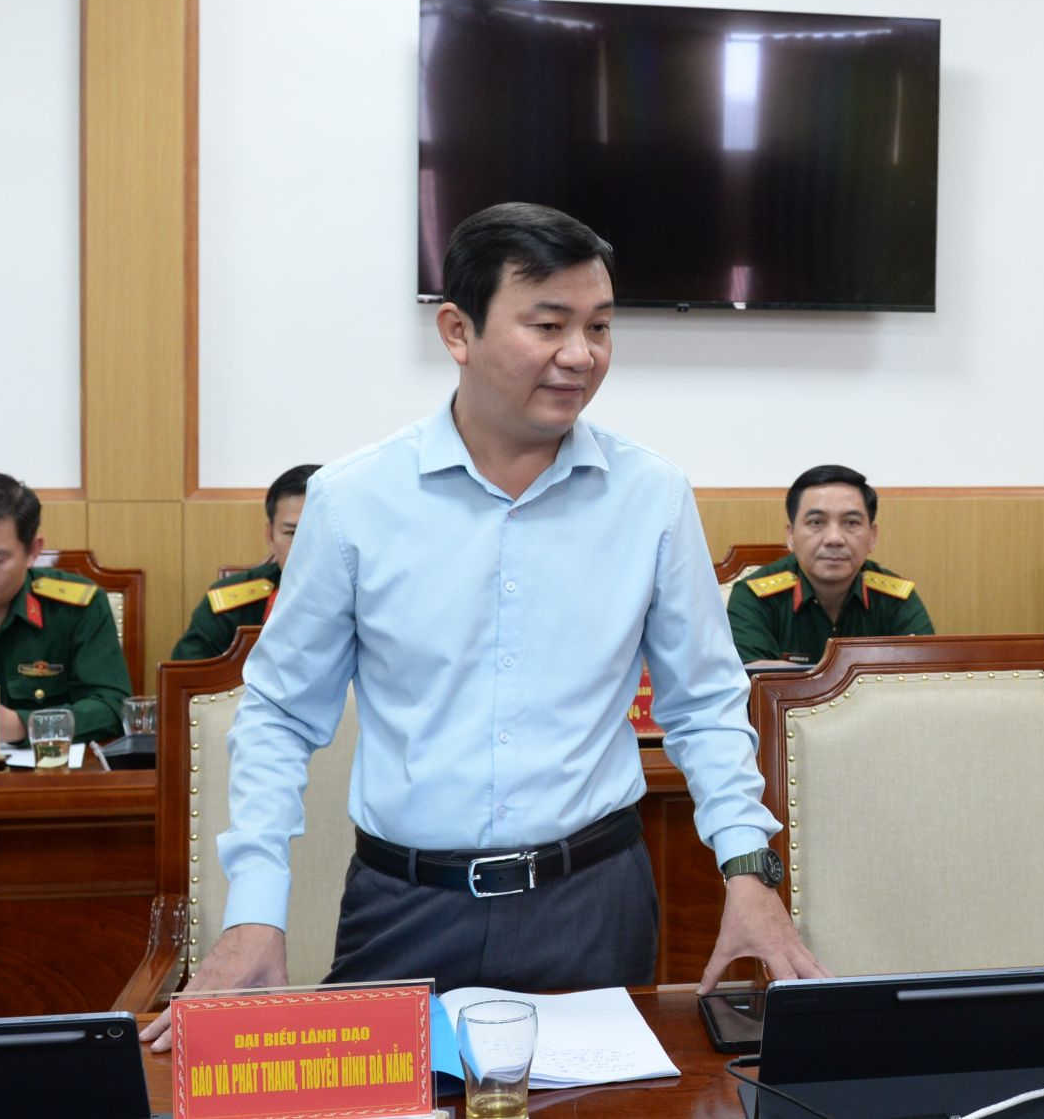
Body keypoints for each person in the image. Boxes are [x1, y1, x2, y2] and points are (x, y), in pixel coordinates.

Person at [143, 202, 823, 1050]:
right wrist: (254, 912)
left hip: (592, 902)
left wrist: (749, 871)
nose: (581, 354)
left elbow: (706, 707)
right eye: (549, 324)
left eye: (600, 326)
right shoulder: (354, 501)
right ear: (458, 331)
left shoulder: (651, 496)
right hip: (404, 906)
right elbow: (279, 715)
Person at [0, 471, 131, 745]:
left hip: (49, 768)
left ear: (32, 552)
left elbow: (112, 706)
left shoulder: (75, 608)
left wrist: (24, 726)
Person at [725, 464, 934, 665]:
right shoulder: (754, 598)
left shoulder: (896, 600)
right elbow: (749, 683)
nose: (834, 539)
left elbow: (926, 677)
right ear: (791, 536)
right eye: (816, 522)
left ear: (872, 536)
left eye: (851, 522)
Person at [170, 464, 319, 662]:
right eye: (291, 533)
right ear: (270, 536)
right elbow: (189, 675)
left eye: (319, 531)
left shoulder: (362, 599)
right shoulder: (232, 605)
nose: (303, 547)